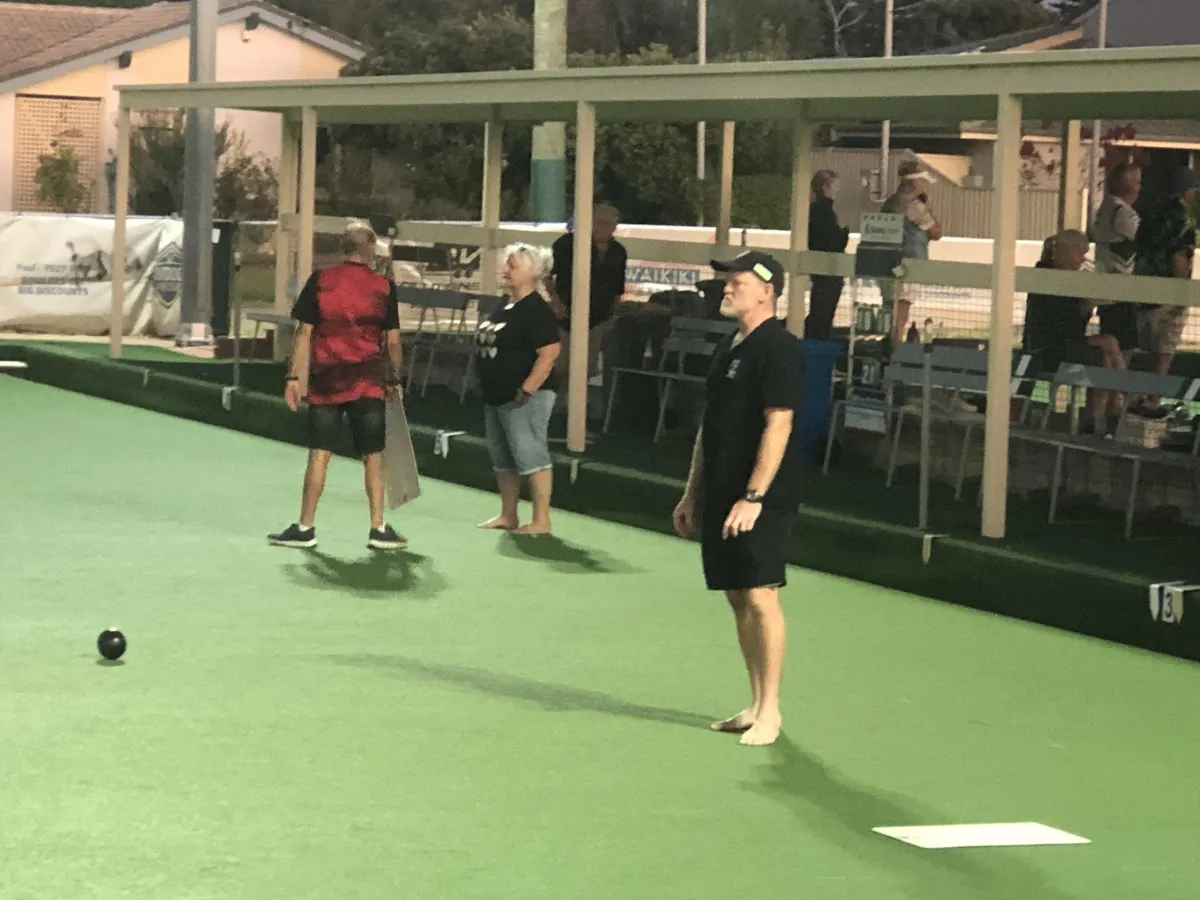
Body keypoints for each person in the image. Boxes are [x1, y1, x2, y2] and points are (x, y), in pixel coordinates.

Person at [672, 250, 804, 748]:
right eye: (727, 281)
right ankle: (753, 703)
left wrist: (753, 496)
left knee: (760, 594)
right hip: (721, 491)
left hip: (761, 496)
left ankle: (771, 710)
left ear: (767, 291)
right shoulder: (729, 347)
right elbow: (710, 426)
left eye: (738, 282)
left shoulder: (779, 348)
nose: (726, 289)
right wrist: (692, 493)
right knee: (736, 595)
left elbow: (779, 423)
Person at [269, 221, 406, 551]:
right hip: (368, 381)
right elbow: (392, 340)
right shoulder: (384, 286)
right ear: (370, 249)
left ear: (343, 247)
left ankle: (305, 527)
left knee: (319, 453)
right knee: (373, 455)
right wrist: (394, 379)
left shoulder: (321, 280)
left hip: (326, 381)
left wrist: (293, 378)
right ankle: (378, 528)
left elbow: (304, 333)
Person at [476, 244, 562, 535]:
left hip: (524, 396)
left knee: (530, 454)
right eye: (506, 264)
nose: (505, 270)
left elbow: (549, 353)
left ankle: (541, 520)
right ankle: (508, 514)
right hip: (496, 393)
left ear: (532, 272)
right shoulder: (505, 304)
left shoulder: (537, 309)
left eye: (512, 266)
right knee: (502, 456)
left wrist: (527, 389)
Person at [1023, 230, 1126, 434]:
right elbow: (1063, 326)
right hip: (1048, 350)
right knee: (1107, 345)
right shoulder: (1050, 278)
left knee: (1107, 350)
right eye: (1081, 254)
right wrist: (1086, 307)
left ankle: (1105, 410)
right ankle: (1116, 402)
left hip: (1057, 345)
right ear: (1067, 251)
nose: (1083, 260)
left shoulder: (1056, 276)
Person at [548, 203, 628, 413]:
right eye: (600, 222)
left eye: (610, 224)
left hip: (599, 315)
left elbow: (618, 286)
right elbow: (548, 274)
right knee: (561, 362)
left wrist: (613, 312)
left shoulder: (618, 252)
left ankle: (578, 404)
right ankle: (555, 401)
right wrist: (555, 300)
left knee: (588, 364)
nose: (605, 228)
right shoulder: (566, 244)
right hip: (567, 312)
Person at [880, 164, 942, 345]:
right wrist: (928, 208)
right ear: (916, 182)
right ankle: (895, 348)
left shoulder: (890, 202)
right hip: (908, 264)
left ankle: (887, 346)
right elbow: (936, 232)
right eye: (923, 181)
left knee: (889, 309)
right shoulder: (915, 206)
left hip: (886, 261)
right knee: (901, 312)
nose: (925, 186)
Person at [1090, 161, 1143, 363]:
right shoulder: (1122, 212)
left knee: (1116, 340)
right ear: (1125, 184)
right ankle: (1117, 380)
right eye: (1137, 182)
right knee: (1124, 344)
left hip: (1109, 288)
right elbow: (1143, 238)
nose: (1140, 188)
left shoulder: (1106, 208)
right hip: (1119, 290)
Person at [805, 170, 850, 340]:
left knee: (819, 310)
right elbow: (831, 243)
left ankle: (815, 339)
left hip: (819, 269)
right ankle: (818, 341)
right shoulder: (824, 211)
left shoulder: (814, 209)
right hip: (828, 269)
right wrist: (844, 233)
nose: (837, 189)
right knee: (823, 313)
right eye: (835, 185)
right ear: (825, 187)